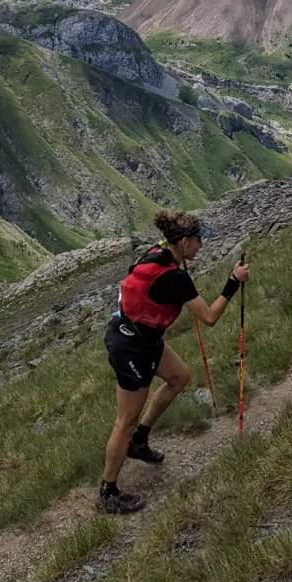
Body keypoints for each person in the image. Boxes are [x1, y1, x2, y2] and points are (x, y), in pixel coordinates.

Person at [99, 208, 249, 514]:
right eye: (197, 241)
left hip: (142, 337)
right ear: (182, 242)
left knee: (179, 377)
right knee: (124, 420)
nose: (200, 246)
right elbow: (209, 317)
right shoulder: (175, 277)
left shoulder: (157, 253)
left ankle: (139, 440)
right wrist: (233, 282)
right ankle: (108, 492)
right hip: (132, 347)